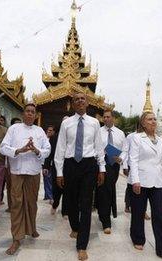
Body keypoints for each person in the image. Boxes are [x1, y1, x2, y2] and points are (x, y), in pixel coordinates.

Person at [54, 92, 105, 261]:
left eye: (83, 98)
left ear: (87, 102)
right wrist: (59, 172)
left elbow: (99, 147)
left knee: (86, 203)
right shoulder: (67, 123)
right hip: (70, 165)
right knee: (70, 201)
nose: (80, 101)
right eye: (76, 99)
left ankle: (82, 245)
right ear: (73, 104)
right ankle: (75, 226)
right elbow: (60, 148)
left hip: (88, 165)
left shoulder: (95, 123)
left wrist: (102, 169)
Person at [0, 104, 50, 255]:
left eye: (32, 112)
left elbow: (47, 150)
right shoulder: (13, 129)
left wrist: (36, 150)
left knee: (31, 203)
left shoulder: (40, 131)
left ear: (35, 115)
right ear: (23, 114)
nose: (29, 114)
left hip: (33, 172)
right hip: (16, 172)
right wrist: (19, 150)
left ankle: (32, 228)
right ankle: (16, 238)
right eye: (27, 111)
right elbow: (2, 147)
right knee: (16, 204)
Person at [128, 112, 162, 260]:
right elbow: (133, 160)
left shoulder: (160, 139)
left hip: (158, 182)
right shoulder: (136, 138)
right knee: (138, 212)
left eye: (154, 119)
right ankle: (138, 238)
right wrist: (135, 180)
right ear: (143, 123)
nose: (153, 121)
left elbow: (160, 161)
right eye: (149, 119)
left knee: (159, 215)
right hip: (141, 180)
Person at [96, 109, 126, 234]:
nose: (106, 119)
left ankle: (103, 212)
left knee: (108, 189)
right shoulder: (98, 132)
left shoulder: (120, 133)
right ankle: (105, 221)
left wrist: (121, 158)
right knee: (105, 191)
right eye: (104, 117)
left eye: (108, 117)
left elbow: (125, 150)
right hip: (100, 165)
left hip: (114, 166)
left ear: (113, 118)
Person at [48, 117, 69, 216]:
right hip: (57, 167)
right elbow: (50, 154)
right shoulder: (54, 137)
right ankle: (55, 204)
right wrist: (46, 167)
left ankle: (65, 211)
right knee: (57, 189)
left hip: (69, 167)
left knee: (68, 190)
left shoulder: (72, 136)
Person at [1, 117, 23, 211]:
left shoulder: (22, 136)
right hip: (7, 165)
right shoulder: (8, 134)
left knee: (18, 188)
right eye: (15, 124)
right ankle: (11, 206)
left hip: (20, 165)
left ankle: (18, 205)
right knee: (10, 187)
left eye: (19, 124)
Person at [43, 125, 56, 204]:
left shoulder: (54, 139)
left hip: (51, 163)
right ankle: (47, 195)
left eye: (51, 130)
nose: (49, 132)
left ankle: (51, 196)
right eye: (48, 130)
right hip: (43, 162)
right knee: (46, 180)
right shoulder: (44, 139)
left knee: (49, 180)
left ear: (54, 132)